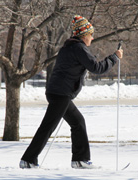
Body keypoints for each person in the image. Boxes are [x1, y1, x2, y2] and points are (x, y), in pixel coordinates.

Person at [19, 15, 123, 169]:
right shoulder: (78, 48)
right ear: (84, 35)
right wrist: (115, 57)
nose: (92, 38)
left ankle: (79, 160)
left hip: (59, 93)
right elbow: (97, 68)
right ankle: (28, 160)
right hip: (61, 94)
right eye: (90, 35)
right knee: (48, 127)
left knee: (78, 122)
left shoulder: (69, 47)